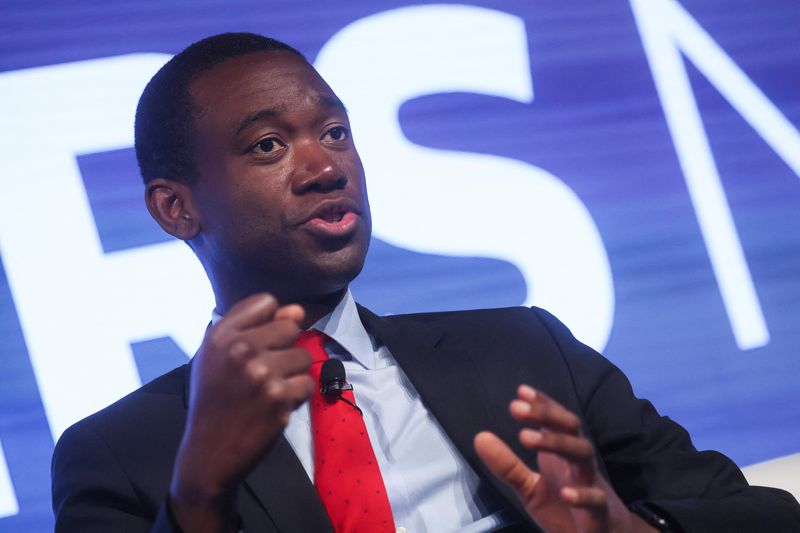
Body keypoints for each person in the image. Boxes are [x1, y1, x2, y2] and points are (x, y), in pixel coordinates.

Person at [51, 32, 800, 533]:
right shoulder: (121, 454)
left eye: (336, 132)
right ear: (176, 207)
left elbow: (754, 512)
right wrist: (198, 495)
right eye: (269, 144)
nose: (325, 167)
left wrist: (631, 528)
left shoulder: (522, 348)